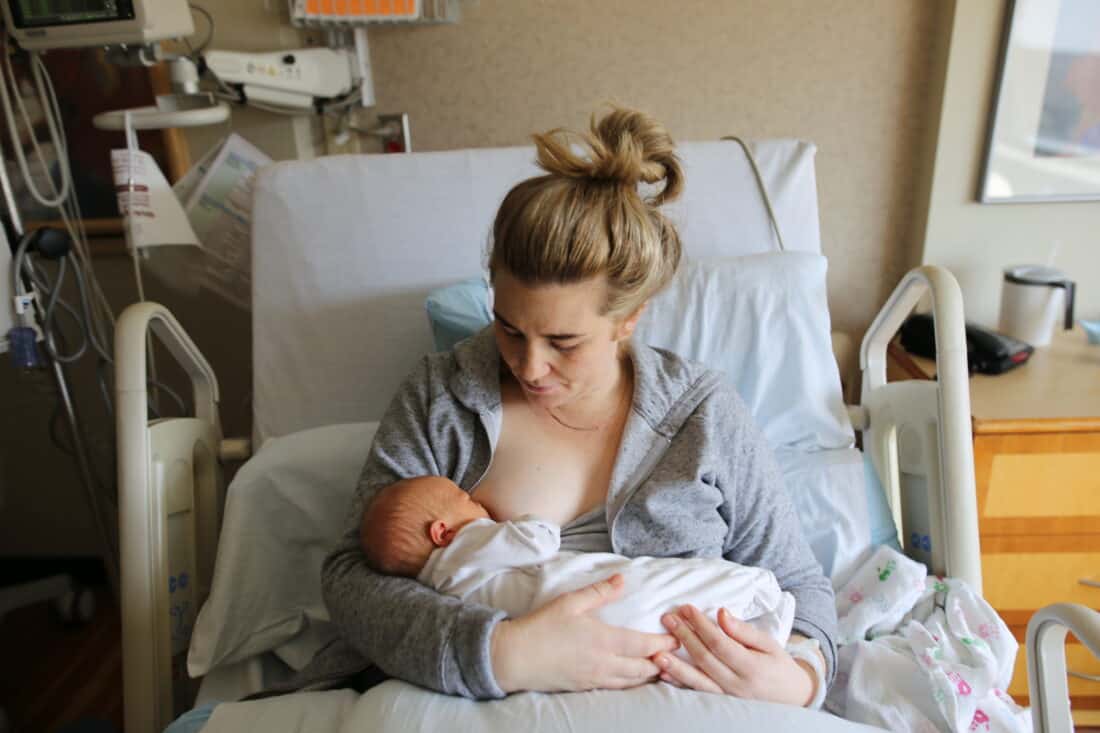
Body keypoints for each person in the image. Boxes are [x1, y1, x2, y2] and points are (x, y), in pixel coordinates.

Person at [304, 105, 837, 709]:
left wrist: (798, 679)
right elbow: (351, 579)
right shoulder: (443, 396)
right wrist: (504, 652)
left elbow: (797, 585)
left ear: (628, 319)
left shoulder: (702, 416)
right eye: (508, 328)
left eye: (563, 343)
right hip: (467, 704)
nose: (528, 367)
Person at [358, 475, 797, 652]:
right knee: (673, 586)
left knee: (667, 628)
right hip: (577, 591)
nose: (478, 504)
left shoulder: (441, 586)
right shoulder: (469, 545)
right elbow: (540, 542)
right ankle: (760, 602)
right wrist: (523, 518)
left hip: (573, 624)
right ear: (441, 532)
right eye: (466, 500)